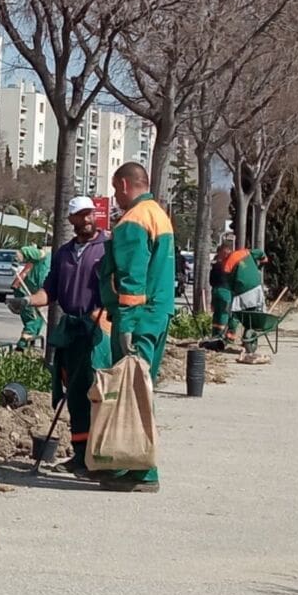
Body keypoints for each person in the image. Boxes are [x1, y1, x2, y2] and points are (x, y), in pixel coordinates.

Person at [8, 196, 109, 477]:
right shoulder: (63, 254)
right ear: (72, 220)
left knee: (98, 393)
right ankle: (80, 456)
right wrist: (27, 302)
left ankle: (101, 457)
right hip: (72, 331)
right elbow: (49, 292)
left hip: (99, 330)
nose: (87, 219)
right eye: (81, 215)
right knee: (75, 393)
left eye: (90, 214)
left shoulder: (107, 248)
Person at [95, 162, 175, 493]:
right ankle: (135, 465)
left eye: (116, 189)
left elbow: (131, 278)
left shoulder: (132, 222)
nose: (115, 197)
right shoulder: (158, 214)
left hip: (137, 320)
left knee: (132, 392)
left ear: (126, 185)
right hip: (156, 315)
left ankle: (137, 470)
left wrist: (125, 325)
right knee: (143, 389)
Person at [213, 243, 269, 358]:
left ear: (223, 253)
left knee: (236, 313)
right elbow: (260, 253)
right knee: (251, 314)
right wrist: (261, 264)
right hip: (257, 288)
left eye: (221, 255)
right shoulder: (244, 252)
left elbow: (229, 283)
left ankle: (231, 335)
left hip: (242, 290)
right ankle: (247, 338)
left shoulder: (226, 265)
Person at [12, 244, 50, 349]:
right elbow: (27, 251)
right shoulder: (45, 256)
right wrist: (18, 257)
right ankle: (21, 347)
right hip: (26, 292)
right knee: (34, 320)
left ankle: (29, 345)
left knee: (38, 320)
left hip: (36, 294)